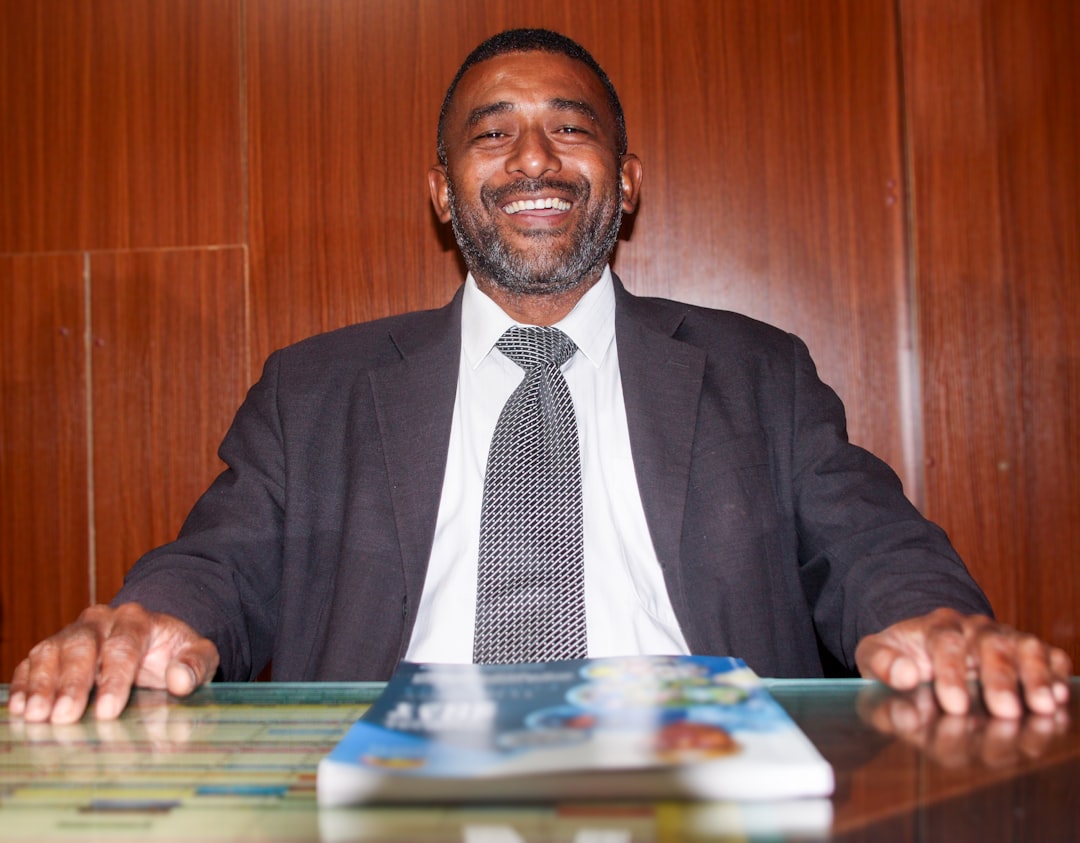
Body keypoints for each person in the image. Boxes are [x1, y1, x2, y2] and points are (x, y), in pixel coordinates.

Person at [9, 29, 1070, 726]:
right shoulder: (314, 389)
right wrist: (151, 619)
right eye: (492, 135)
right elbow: (223, 561)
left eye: (570, 128)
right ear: (442, 192)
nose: (532, 160)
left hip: (696, 783)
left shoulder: (760, 371)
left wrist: (930, 619)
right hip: (399, 794)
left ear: (626, 181)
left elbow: (871, 543)